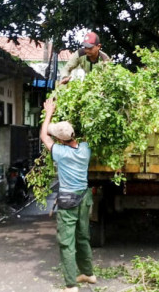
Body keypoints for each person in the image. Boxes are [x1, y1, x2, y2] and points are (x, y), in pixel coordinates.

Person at [40, 98, 96, 292]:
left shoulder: (60, 152)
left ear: (60, 139)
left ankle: (71, 285)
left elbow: (44, 136)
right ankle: (88, 274)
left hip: (68, 200)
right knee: (83, 237)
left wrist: (49, 112)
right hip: (84, 197)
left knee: (67, 242)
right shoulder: (85, 149)